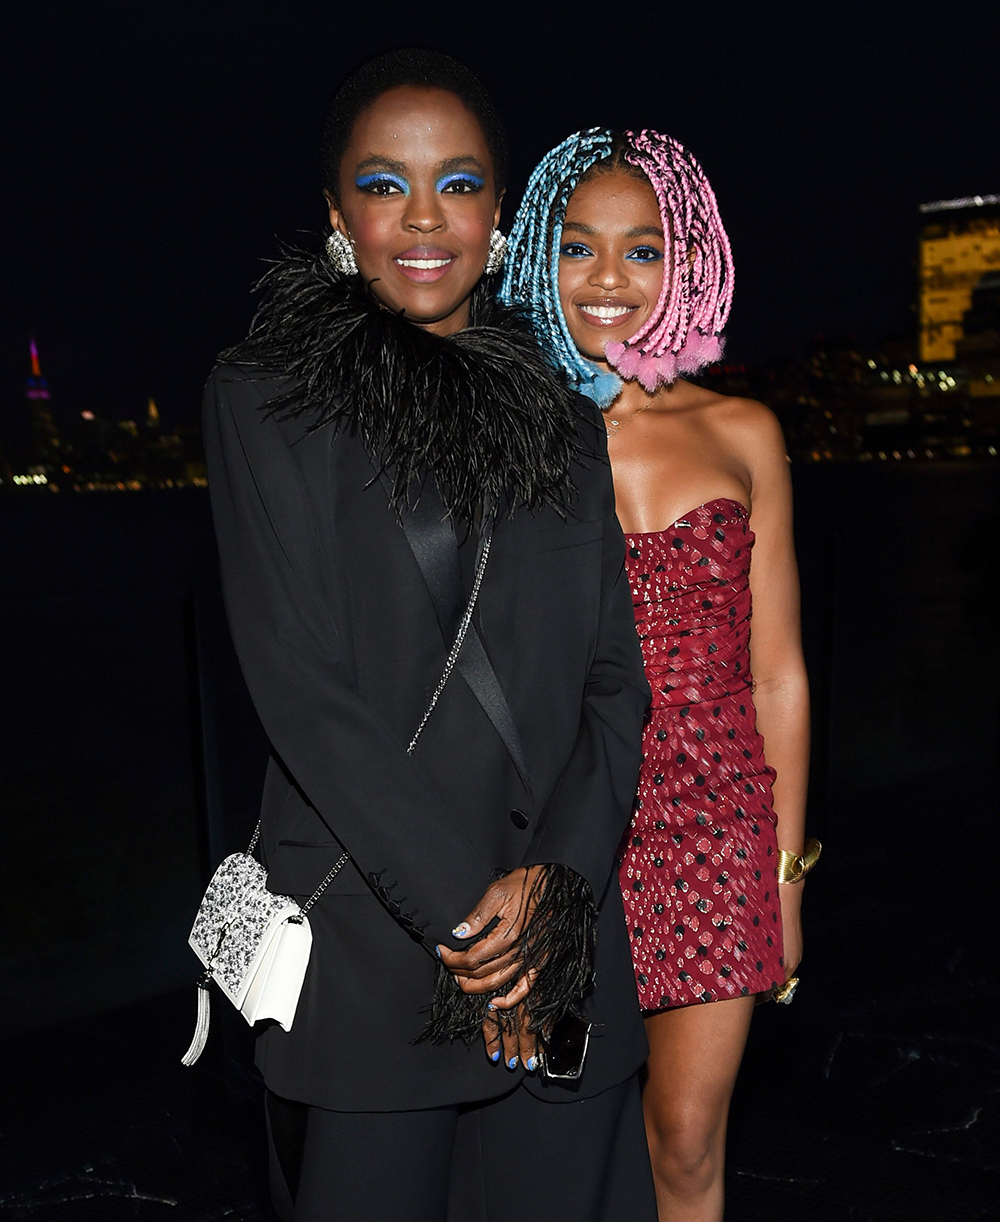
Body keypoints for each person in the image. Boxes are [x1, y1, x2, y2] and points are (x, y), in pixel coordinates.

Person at [204, 57, 657, 1222]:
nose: (421, 216)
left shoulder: (565, 416)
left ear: (499, 220)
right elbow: (301, 691)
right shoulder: (265, 398)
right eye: (382, 183)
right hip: (373, 959)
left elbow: (613, 679)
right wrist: (476, 923)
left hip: (562, 949)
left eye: (455, 184)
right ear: (338, 219)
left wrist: (555, 889)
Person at [502, 129, 816, 1221]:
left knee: (684, 1139)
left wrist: (785, 872)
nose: (608, 278)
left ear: (685, 260)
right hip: (567, 824)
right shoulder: (514, 434)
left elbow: (775, 672)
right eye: (578, 246)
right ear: (536, 254)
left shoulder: (743, 431)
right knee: (564, 1149)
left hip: (714, 823)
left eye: (641, 249)